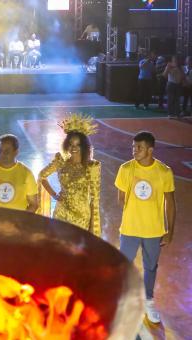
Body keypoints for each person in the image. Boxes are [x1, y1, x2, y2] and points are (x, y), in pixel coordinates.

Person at [115, 131, 176, 324]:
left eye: (139, 147)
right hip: (130, 229)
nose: (134, 151)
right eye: (133, 147)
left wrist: (169, 231)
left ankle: (148, 301)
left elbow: (171, 203)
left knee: (150, 267)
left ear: (150, 149)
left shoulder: (164, 172)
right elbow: (121, 199)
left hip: (153, 230)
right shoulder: (125, 169)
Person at [38, 114, 101, 237]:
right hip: (61, 213)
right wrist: (54, 195)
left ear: (84, 147)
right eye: (71, 144)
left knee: (77, 252)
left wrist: (93, 228)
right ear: (67, 144)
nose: (74, 148)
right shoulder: (61, 161)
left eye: (78, 145)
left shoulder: (92, 166)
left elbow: (95, 200)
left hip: (81, 217)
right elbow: (42, 176)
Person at [0, 134, 38, 212]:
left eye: (7, 151)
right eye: (0, 150)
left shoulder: (26, 173)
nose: (2, 154)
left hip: (18, 223)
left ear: (16, 152)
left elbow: (34, 204)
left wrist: (20, 221)